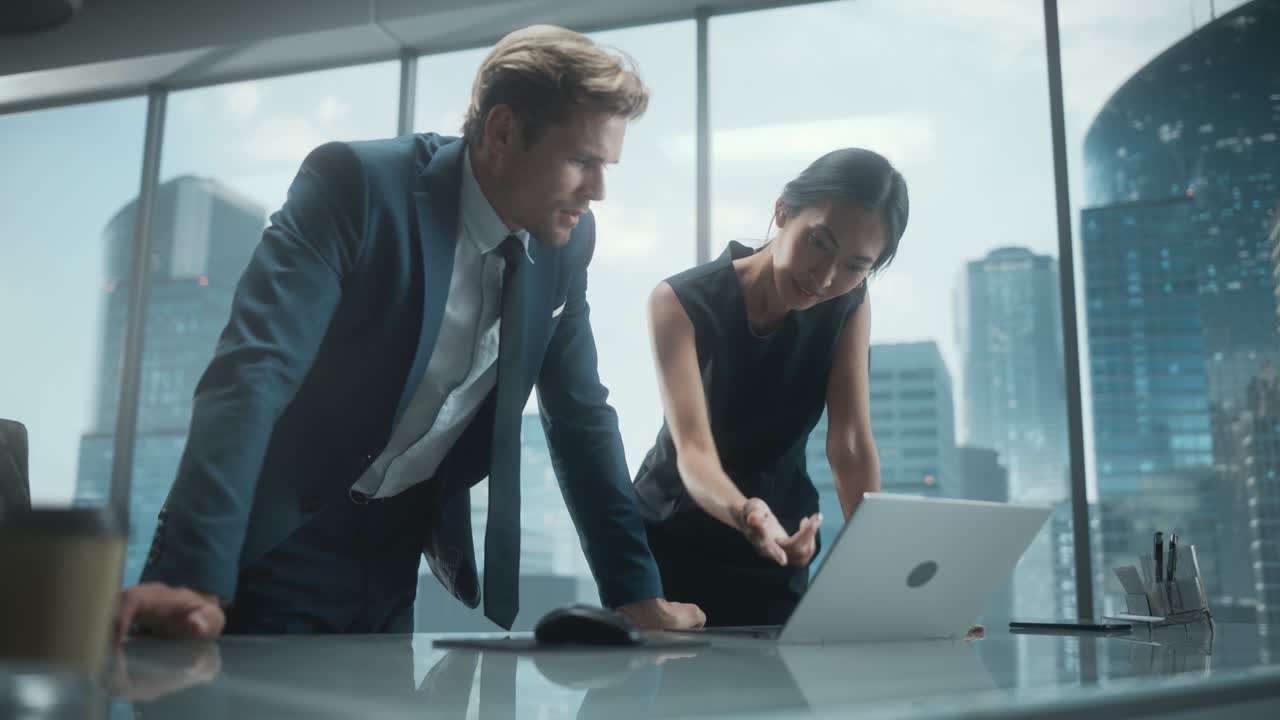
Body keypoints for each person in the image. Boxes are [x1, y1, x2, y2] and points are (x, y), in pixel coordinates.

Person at [113, 24, 705, 640]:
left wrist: (635, 594)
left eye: (605, 165)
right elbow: (255, 370)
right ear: (503, 131)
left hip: (394, 558)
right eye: (582, 161)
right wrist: (191, 573)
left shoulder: (566, 239)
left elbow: (580, 412)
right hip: (275, 540)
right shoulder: (356, 187)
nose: (600, 191)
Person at [634, 148, 908, 626]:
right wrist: (746, 514)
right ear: (783, 212)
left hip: (780, 545)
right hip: (671, 539)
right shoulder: (680, 300)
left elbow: (849, 442)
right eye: (819, 243)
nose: (825, 278)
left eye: (854, 266)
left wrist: (886, 579)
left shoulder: (848, 303)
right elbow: (694, 451)